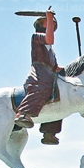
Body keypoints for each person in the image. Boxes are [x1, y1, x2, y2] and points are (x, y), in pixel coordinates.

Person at [14, 10, 64, 145]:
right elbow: (49, 39)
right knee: (42, 86)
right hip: (39, 71)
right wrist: (49, 16)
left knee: (61, 94)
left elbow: (55, 67)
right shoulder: (36, 37)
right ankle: (23, 113)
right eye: (48, 24)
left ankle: (49, 131)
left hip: (49, 72)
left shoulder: (51, 51)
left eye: (52, 25)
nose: (51, 26)